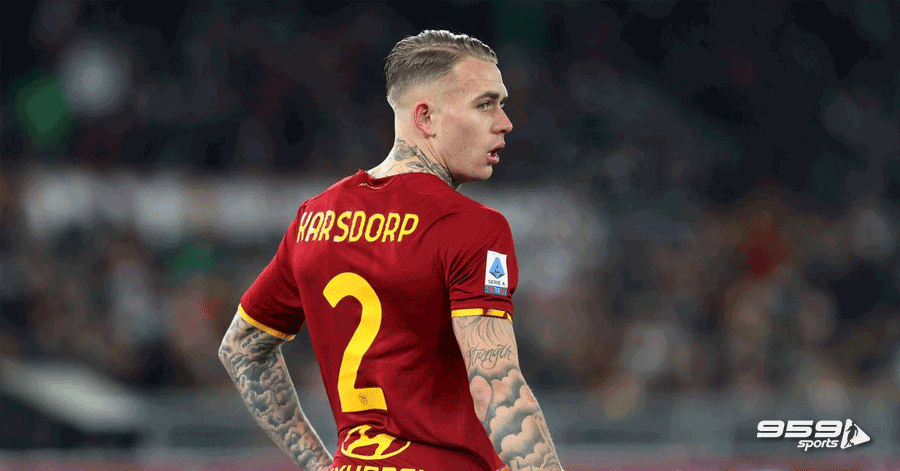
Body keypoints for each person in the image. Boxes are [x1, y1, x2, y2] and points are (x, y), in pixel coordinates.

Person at [218, 30, 564, 471]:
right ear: (426, 117)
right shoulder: (472, 226)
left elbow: (242, 349)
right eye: (485, 104)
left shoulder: (314, 218)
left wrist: (319, 465)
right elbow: (497, 390)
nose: (505, 122)